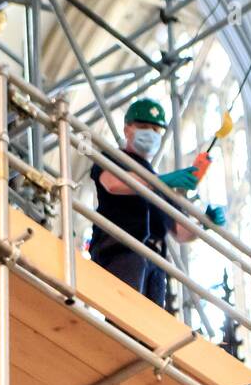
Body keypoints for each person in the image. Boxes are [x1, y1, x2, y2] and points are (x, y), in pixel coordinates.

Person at [88, 97, 227, 312]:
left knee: (151, 330)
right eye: (144, 127)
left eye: (156, 129)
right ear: (127, 130)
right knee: (126, 317)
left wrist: (204, 223)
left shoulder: (158, 182)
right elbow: (112, 184)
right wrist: (161, 182)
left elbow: (180, 232)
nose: (150, 134)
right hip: (122, 250)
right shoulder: (115, 158)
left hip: (155, 262)